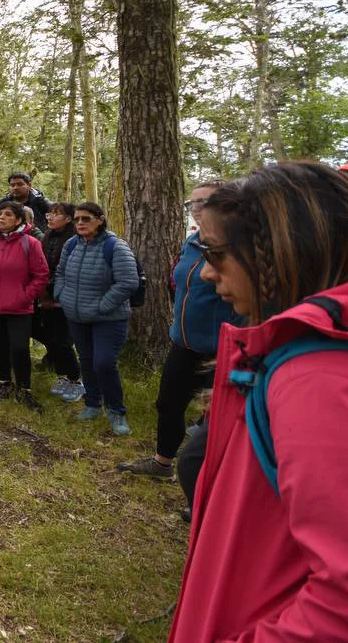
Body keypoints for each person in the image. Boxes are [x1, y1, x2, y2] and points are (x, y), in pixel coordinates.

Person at [168, 161, 348, 643]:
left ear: (281, 252)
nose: (206, 272)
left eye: (217, 252)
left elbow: (343, 599)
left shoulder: (314, 380)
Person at [118, 181, 240, 480]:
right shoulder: (192, 242)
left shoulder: (237, 244)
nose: (197, 209)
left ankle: (211, 486)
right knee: (169, 404)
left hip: (222, 348)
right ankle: (162, 463)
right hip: (183, 342)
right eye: (192, 204)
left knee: (219, 419)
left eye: (204, 202)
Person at [54, 201, 140, 435]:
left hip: (108, 319)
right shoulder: (72, 245)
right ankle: (92, 404)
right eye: (77, 219)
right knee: (87, 361)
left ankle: (116, 411)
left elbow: (128, 282)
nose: (80, 223)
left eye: (86, 219)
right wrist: (61, 294)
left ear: (100, 220)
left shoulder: (115, 246)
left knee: (103, 363)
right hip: (77, 316)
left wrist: (103, 305)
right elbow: (60, 272)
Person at [0, 202, 49, 411]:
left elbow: (41, 275)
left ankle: (24, 389)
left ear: (19, 220)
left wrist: (25, 296)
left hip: (19, 307)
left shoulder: (30, 243)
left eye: (8, 215)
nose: (2, 218)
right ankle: (5, 382)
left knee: (20, 347)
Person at [37, 202, 84, 402]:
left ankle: (76, 380)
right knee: (50, 339)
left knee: (63, 341)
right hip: (46, 297)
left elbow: (65, 270)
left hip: (64, 298)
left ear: (68, 219)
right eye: (50, 213)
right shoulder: (47, 236)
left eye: (56, 214)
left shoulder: (74, 240)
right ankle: (62, 376)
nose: (50, 217)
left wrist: (53, 292)